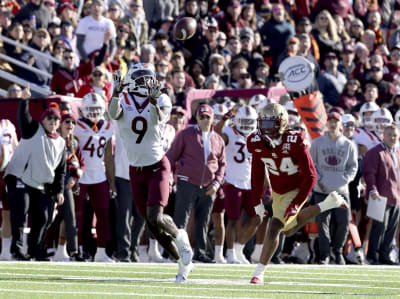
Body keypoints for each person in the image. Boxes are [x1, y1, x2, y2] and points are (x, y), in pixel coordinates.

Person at [109, 64, 193, 283]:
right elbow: (112, 113)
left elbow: (160, 118)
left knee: (156, 215)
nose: (147, 82)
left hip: (157, 166)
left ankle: (180, 236)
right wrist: (116, 93)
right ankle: (182, 263)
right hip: (135, 170)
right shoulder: (123, 99)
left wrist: (154, 100)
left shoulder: (161, 98)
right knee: (151, 225)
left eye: (149, 78)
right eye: (142, 78)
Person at [248, 103, 348, 284]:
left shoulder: (295, 141)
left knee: (275, 226)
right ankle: (326, 204)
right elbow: (257, 173)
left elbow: (311, 176)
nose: (265, 128)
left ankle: (259, 272)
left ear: (282, 124)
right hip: (278, 190)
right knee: (289, 229)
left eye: (270, 124)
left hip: (297, 188)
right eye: (262, 123)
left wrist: (295, 203)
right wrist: (257, 201)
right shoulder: (255, 142)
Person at [5, 88, 66, 261]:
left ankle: (35, 251)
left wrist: (59, 191)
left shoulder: (61, 143)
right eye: (49, 118)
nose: (53, 121)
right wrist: (24, 101)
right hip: (20, 177)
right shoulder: (33, 129)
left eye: (56, 119)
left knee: (43, 218)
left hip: (41, 183)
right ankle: (16, 251)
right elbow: (23, 119)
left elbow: (61, 170)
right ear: (43, 119)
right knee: (20, 214)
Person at [167, 104, 226, 264]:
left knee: (203, 221)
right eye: (202, 116)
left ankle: (200, 252)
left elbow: (222, 164)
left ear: (213, 118)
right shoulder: (186, 134)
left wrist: (216, 183)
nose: (205, 119)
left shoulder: (218, 139)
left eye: (208, 117)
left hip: (208, 185)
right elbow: (171, 156)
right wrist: (168, 177)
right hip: (187, 182)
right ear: (197, 118)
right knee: (181, 220)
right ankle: (177, 252)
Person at [310, 111, 358, 264]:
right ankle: (324, 254)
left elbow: (353, 167)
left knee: (344, 222)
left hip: (341, 191)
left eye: (335, 121)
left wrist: (344, 180)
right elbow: (312, 164)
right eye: (330, 121)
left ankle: (337, 251)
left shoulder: (348, 144)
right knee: (322, 223)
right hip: (321, 190)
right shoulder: (317, 143)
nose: (332, 124)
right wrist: (319, 180)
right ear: (326, 123)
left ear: (340, 124)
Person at [214, 105, 261, 264]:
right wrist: (224, 120)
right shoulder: (229, 132)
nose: (247, 125)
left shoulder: (256, 136)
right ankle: (230, 253)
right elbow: (218, 135)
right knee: (233, 220)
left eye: (250, 122)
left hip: (248, 183)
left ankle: (239, 248)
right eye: (244, 121)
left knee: (257, 218)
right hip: (232, 182)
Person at [73, 92, 114, 262]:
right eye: (90, 109)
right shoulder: (76, 126)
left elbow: (109, 157)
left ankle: (101, 252)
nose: (93, 112)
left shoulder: (107, 127)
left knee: (103, 215)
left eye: (96, 109)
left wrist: (112, 182)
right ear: (83, 109)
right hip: (81, 176)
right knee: (76, 215)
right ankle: (75, 250)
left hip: (99, 175)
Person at [364, 124, 400, 265]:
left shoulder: (397, 152)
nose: (392, 137)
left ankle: (385, 256)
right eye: (389, 134)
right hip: (380, 196)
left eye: (395, 135)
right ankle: (372, 256)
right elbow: (370, 174)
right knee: (379, 228)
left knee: (391, 229)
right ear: (383, 135)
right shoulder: (375, 152)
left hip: (396, 197)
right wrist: (373, 190)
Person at [53, 112, 85, 262]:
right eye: (67, 121)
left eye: (73, 122)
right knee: (44, 218)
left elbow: (81, 164)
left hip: (66, 184)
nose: (70, 125)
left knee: (71, 217)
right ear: (60, 123)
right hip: (49, 183)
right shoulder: (53, 139)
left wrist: (75, 176)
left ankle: (73, 251)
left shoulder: (74, 143)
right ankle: (38, 250)